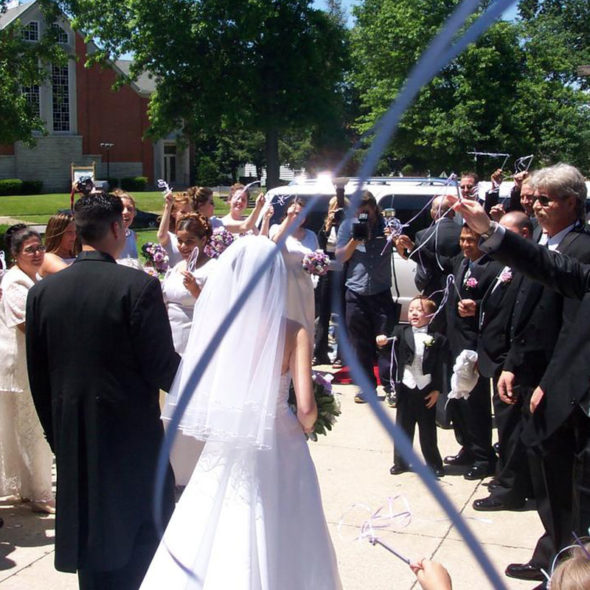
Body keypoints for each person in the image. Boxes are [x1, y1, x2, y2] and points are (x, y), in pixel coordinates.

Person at [140, 236, 342, 589]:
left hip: (230, 433)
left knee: (220, 514)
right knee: (286, 519)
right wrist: (306, 424)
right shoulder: (294, 332)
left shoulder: (221, 328)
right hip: (280, 435)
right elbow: (307, 408)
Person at [26, 193, 181, 590]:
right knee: (140, 540)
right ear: (117, 228)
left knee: (92, 544)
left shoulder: (43, 292)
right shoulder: (138, 287)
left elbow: (39, 377)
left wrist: (57, 435)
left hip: (74, 434)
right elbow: (165, 370)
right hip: (132, 438)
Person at [453, 164, 590, 588]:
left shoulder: (581, 246)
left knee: (577, 490)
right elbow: (552, 283)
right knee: (556, 478)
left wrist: (550, 380)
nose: (535, 206)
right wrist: (490, 231)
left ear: (572, 201)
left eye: (546, 199)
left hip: (570, 389)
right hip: (552, 378)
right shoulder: (555, 248)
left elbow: (569, 325)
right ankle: (562, 565)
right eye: (534, 198)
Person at [473, 211, 534, 512]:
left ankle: (510, 489)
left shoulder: (528, 272)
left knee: (511, 431)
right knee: (507, 428)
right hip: (494, 358)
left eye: (502, 234)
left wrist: (508, 363)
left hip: (511, 364)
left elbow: (521, 324)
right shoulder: (504, 268)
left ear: (522, 236)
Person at [0, 225, 54, 513]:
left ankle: (31, 488)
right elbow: (24, 324)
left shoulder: (32, 278)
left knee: (24, 426)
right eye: (29, 249)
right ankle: (39, 492)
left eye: (39, 247)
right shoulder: (14, 282)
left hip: (26, 361)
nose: (37, 253)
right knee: (29, 426)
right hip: (16, 362)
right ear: (15, 254)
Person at [161, 212, 215, 487]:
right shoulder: (176, 265)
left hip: (195, 339)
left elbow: (220, 308)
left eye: (190, 241)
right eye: (180, 241)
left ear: (204, 240)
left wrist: (196, 290)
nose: (183, 247)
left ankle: (192, 467)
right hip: (170, 336)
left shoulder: (213, 268)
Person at [336, 191, 399, 405]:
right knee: (360, 344)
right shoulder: (347, 226)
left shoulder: (388, 223)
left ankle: (391, 387)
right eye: (357, 209)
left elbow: (404, 250)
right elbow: (340, 256)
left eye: (365, 210)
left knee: (385, 343)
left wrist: (395, 236)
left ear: (374, 207)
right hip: (356, 291)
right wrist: (355, 239)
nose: (361, 213)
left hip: (381, 291)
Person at [377, 296, 447, 477]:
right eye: (411, 310)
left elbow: (440, 366)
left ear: (431, 316)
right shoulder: (402, 331)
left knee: (428, 430)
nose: (414, 313)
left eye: (420, 310)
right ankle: (400, 461)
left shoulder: (437, 338)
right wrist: (382, 342)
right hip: (406, 387)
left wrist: (437, 390)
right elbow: (389, 348)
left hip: (425, 388)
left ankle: (434, 463)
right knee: (403, 427)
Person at [270, 197, 319, 336]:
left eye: (302, 214)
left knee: (304, 326)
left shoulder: (311, 235)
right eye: (295, 213)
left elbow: (317, 257)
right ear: (287, 213)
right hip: (284, 286)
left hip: (305, 288)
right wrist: (289, 220)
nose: (298, 217)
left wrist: (319, 266)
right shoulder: (276, 229)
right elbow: (274, 243)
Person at [314, 194, 348, 366]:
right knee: (324, 314)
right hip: (328, 273)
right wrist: (329, 227)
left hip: (344, 274)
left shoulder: (348, 225)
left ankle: (342, 354)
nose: (334, 210)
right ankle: (320, 352)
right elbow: (321, 247)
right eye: (332, 207)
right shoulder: (326, 227)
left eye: (338, 207)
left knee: (342, 314)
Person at [157, 191, 194, 266]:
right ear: (173, 213)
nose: (187, 216)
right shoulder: (169, 236)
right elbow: (161, 236)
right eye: (183, 212)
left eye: (190, 212)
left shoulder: (195, 236)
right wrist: (168, 206)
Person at [113, 189, 139, 260]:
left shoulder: (133, 235)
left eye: (130, 209)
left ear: (134, 213)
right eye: (121, 208)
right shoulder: (109, 236)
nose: (125, 212)